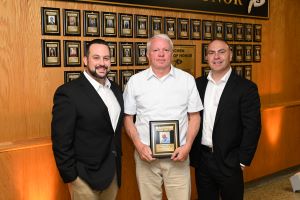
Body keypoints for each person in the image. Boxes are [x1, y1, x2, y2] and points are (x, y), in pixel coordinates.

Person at [123, 34, 203, 200]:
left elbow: (195, 117)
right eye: (156, 50)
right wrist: (138, 146)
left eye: (166, 50)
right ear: (148, 55)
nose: (161, 54)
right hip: (146, 157)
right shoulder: (135, 82)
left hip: (178, 157)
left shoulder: (187, 80)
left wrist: (187, 146)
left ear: (172, 54)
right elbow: (128, 119)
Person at [51, 38, 124, 200]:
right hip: (83, 177)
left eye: (106, 58)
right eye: (96, 58)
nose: (102, 63)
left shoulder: (116, 89)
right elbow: (61, 140)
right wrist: (72, 177)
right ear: (85, 60)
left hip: (112, 174)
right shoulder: (68, 93)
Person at [190, 39, 261, 200]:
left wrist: (242, 161)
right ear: (206, 57)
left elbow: (252, 127)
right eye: (211, 52)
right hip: (203, 160)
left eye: (221, 52)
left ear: (230, 55)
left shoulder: (246, 88)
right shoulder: (197, 85)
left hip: (231, 161)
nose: (216, 57)